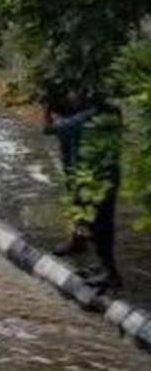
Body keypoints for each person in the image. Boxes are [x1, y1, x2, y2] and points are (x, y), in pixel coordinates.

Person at [45, 86, 123, 289]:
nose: (71, 97)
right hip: (101, 176)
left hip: (95, 181)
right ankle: (102, 265)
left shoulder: (85, 119)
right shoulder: (111, 113)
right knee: (95, 220)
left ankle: (111, 274)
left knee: (101, 226)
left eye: (74, 93)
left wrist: (46, 110)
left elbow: (51, 129)